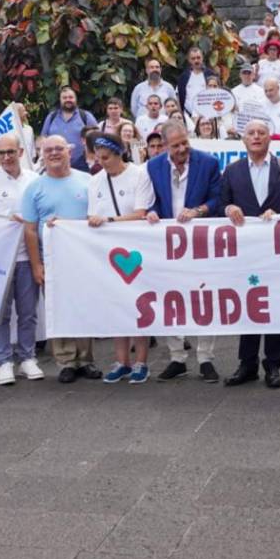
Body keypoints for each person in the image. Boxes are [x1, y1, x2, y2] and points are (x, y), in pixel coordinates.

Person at [221, 120, 280, 388]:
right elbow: (221, 203)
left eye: (261, 133)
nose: (256, 137)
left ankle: (274, 365)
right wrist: (228, 208)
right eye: (251, 133)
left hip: (277, 250)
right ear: (243, 139)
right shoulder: (232, 171)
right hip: (244, 253)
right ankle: (247, 363)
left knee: (275, 305)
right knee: (248, 305)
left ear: (270, 138)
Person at [144, 121, 222, 382]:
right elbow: (151, 200)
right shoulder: (153, 166)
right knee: (170, 299)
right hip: (167, 243)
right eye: (175, 145)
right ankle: (177, 357)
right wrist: (152, 211)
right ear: (165, 146)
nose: (182, 148)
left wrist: (198, 211)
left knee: (204, 297)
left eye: (184, 142)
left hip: (198, 241)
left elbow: (217, 199)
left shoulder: (208, 163)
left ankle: (205, 358)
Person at [22, 135, 99, 383]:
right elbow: (30, 230)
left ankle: (85, 359)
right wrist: (36, 265)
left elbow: (97, 217)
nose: (54, 153)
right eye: (48, 150)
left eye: (59, 149)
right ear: (41, 155)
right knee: (58, 309)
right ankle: (66, 361)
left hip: (84, 260)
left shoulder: (87, 181)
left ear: (69, 151)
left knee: (85, 307)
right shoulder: (34, 187)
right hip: (51, 261)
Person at [85, 132, 156, 383]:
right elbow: (92, 215)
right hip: (109, 251)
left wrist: (110, 220)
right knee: (115, 305)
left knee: (138, 303)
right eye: (98, 158)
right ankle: (121, 360)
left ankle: (141, 361)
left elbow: (140, 212)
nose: (101, 162)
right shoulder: (95, 181)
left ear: (118, 154)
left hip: (136, 248)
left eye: (106, 157)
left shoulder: (139, 174)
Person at [0, 134, 44, 386]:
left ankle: (27, 357)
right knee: (0, 314)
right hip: (0, 258)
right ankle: (3, 361)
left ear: (21, 152)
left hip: (28, 256)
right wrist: (9, 219)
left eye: (10, 152)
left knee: (28, 312)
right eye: (0, 153)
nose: (5, 157)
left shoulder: (35, 180)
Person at [41, 87, 98, 171]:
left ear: (76, 99)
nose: (68, 100)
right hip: (56, 165)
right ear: (60, 100)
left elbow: (96, 138)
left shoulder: (86, 116)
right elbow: (43, 138)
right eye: (64, 98)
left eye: (71, 97)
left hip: (82, 166)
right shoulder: (51, 117)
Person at [177, 47, 217, 112]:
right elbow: (178, 97)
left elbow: (217, 93)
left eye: (198, 57)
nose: (196, 61)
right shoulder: (183, 77)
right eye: (193, 58)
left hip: (208, 114)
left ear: (202, 58)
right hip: (188, 116)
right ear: (189, 60)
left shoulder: (210, 74)